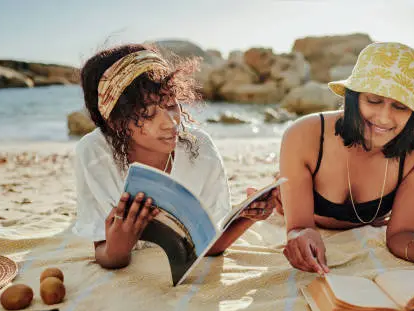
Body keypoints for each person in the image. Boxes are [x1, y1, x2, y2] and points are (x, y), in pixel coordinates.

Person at [73, 44, 275, 269]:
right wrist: (117, 248)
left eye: (171, 104)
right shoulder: (94, 153)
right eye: (147, 114)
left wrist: (246, 218)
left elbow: (209, 246)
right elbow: (106, 253)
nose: (170, 123)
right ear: (114, 121)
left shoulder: (199, 148)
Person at [277, 42, 414, 275]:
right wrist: (299, 234)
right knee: (278, 193)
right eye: (374, 101)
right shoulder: (305, 134)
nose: (384, 117)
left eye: (400, 106)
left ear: (413, 113)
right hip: (290, 206)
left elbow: (401, 235)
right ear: (354, 98)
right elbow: (298, 227)